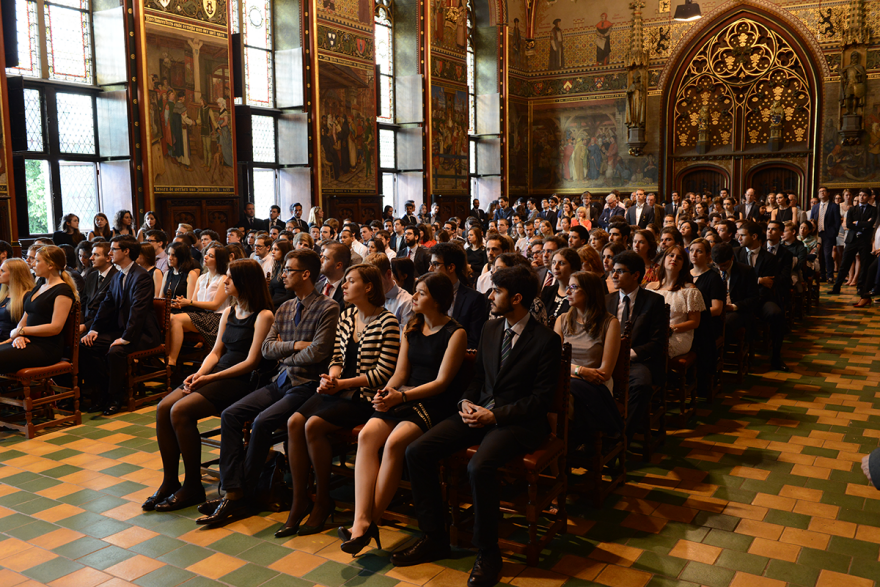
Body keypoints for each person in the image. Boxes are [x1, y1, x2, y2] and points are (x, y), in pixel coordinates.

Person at [393, 265, 561, 587]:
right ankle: (434, 537)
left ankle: (488, 553)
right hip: (479, 413)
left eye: (496, 291)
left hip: (517, 422)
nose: (490, 295)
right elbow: (479, 381)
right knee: (417, 451)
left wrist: (495, 416)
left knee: (479, 466)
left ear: (517, 298)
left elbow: (539, 401)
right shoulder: (490, 328)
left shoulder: (546, 340)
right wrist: (466, 404)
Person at [196, 249, 340, 526]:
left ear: (306, 274)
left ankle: (243, 497)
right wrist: (294, 347)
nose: (282, 274)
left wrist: (283, 352)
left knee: (262, 422)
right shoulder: (284, 308)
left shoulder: (327, 307)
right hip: (281, 379)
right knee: (232, 415)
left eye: (289, 270)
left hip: (307, 384)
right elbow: (266, 349)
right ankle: (234, 491)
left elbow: (319, 352)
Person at [338, 272, 466, 554]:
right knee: (368, 436)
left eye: (421, 293)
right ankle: (361, 520)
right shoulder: (411, 326)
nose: (415, 297)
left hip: (434, 401)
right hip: (404, 394)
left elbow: (441, 383)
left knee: (395, 442)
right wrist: (386, 393)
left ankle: (369, 521)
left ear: (437, 299)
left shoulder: (455, 332)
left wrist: (401, 395)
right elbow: (400, 373)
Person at [145, 259, 274, 512]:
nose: (224, 281)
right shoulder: (229, 311)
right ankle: (170, 480)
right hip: (216, 373)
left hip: (240, 380)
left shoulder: (264, 315)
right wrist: (199, 373)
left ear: (245, 282)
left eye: (230, 278)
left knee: (180, 411)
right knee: (163, 408)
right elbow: (215, 352)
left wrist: (211, 378)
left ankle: (193, 485)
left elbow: (251, 361)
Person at [283, 264, 400, 537]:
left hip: (364, 397)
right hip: (338, 389)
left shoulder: (388, 322)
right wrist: (330, 378)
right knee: (294, 422)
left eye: (350, 281)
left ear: (368, 287)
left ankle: (323, 500)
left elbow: (383, 372)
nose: (343, 286)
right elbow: (336, 357)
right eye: (344, 281)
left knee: (312, 425)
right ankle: (300, 500)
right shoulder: (347, 317)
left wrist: (340, 384)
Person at [79, 238, 160, 415]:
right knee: (85, 344)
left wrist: (125, 339)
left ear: (126, 252)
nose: (110, 253)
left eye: (113, 249)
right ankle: (102, 393)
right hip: (122, 331)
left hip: (141, 334)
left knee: (116, 351)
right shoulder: (118, 276)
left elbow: (138, 312)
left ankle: (116, 396)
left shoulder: (142, 276)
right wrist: (94, 329)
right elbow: (106, 306)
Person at [606, 251, 667, 445]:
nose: (614, 276)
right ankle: (593, 436)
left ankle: (620, 440)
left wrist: (627, 354)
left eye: (620, 272)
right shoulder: (607, 301)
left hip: (638, 360)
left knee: (640, 385)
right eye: (613, 271)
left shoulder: (654, 301)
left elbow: (658, 342)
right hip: (607, 360)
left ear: (636, 275)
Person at [555, 271, 622, 441]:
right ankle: (556, 445)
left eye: (574, 287)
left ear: (590, 291)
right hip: (570, 379)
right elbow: (553, 361)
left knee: (562, 396)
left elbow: (604, 373)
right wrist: (580, 371)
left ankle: (561, 445)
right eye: (568, 287)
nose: (568, 292)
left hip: (596, 385)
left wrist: (572, 371)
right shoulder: (562, 320)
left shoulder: (610, 322)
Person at [0, 246, 77, 372]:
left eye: (37, 260)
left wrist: (22, 331)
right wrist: (19, 335)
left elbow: (55, 327)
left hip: (46, 347)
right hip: (28, 341)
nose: (33, 264)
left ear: (50, 265)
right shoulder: (39, 286)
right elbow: (25, 317)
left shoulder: (63, 290)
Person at [166, 243, 231, 374]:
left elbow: (215, 305)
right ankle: (174, 357)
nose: (205, 257)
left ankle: (171, 362)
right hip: (201, 315)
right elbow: (194, 302)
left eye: (210, 256)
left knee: (177, 319)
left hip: (217, 318)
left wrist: (189, 302)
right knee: (170, 317)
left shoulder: (223, 278)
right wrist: (182, 304)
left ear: (219, 260)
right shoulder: (202, 277)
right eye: (206, 254)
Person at [735, 222, 789, 371]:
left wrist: (754, 291)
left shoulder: (769, 258)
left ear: (754, 236)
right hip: (740, 298)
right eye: (738, 234)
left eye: (742, 235)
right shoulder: (736, 253)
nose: (739, 237)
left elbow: (769, 284)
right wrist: (758, 280)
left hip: (761, 299)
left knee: (776, 314)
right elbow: (736, 280)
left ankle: (776, 357)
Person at [647, 245, 705, 357]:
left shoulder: (689, 290)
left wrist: (671, 329)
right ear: (664, 260)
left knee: (653, 349)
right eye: (671, 255)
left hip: (677, 335)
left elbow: (695, 322)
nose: (674, 259)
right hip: (653, 333)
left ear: (683, 265)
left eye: (679, 258)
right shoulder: (650, 287)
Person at [430, 243, 489, 348]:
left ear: (451, 267)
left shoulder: (474, 299)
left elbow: (473, 341)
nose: (430, 269)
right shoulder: (427, 295)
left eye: (436, 264)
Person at [689, 238, 724, 395]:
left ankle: (700, 380)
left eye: (699, 251)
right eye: (691, 251)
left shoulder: (713, 277)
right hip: (688, 322)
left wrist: (694, 316)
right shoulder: (685, 275)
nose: (694, 254)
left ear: (708, 255)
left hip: (708, 324)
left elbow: (716, 309)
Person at [832, 189, 877, 296]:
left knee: (864, 265)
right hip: (852, 239)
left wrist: (856, 223)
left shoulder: (873, 210)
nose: (861, 197)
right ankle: (836, 287)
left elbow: (871, 224)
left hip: (865, 241)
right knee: (844, 264)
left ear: (869, 197)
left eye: (864, 195)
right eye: (860, 195)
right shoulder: (852, 209)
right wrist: (864, 224)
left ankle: (860, 288)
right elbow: (848, 224)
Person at [79, 242, 118, 336]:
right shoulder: (92, 276)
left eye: (96, 255)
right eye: (92, 254)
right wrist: (79, 323)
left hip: (104, 327)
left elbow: (110, 311)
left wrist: (86, 326)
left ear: (108, 258)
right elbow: (83, 302)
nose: (91, 258)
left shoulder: (116, 277)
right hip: (86, 323)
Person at [541, 247, 582, 325]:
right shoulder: (548, 291)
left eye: (561, 263)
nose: (556, 267)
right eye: (553, 263)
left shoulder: (578, 293)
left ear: (573, 267)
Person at [0, 259, 35, 341]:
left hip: (10, 340)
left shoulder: (27, 296)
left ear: (14, 275)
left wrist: (2, 345)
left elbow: (22, 330)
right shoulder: (3, 294)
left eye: (2, 271)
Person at [811, 187, 841, 282]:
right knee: (819, 255)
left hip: (828, 234)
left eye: (823, 191)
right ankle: (822, 275)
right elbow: (812, 220)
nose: (822, 193)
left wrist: (834, 233)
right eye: (820, 191)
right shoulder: (815, 207)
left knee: (827, 255)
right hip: (817, 234)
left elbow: (837, 221)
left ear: (828, 193)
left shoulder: (834, 206)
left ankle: (830, 275)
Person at [317, 241, 351, 312]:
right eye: (322, 256)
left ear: (338, 265)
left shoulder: (349, 292)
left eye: (325, 258)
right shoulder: (316, 287)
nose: (321, 260)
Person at [268, 240, 295, 308]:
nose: (272, 252)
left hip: (284, 305)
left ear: (284, 251)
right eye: (272, 249)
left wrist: (271, 303)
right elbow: (271, 289)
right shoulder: (277, 266)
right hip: (274, 303)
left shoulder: (289, 269)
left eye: (276, 249)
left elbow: (290, 296)